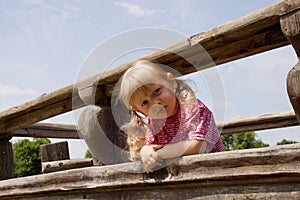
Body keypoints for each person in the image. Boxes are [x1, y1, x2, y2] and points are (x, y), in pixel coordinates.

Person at [118, 59, 223, 173]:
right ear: (141, 111)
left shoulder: (193, 108)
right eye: (145, 103)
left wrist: (160, 153)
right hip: (185, 175)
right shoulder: (154, 122)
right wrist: (145, 151)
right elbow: (151, 146)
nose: (155, 103)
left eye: (157, 91)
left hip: (215, 169)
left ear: (171, 81)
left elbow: (198, 146)